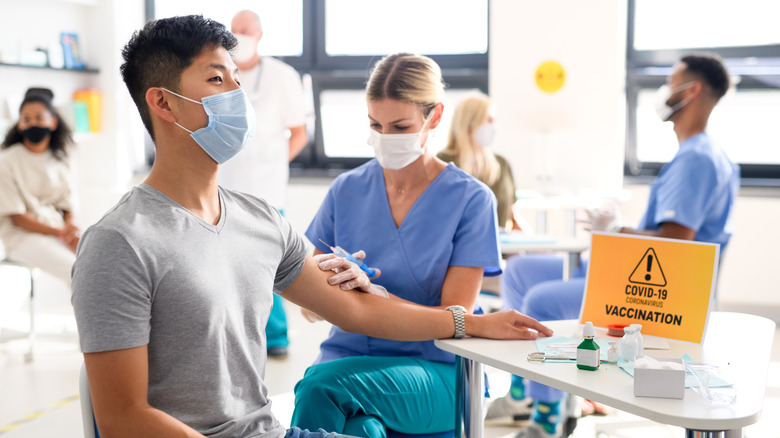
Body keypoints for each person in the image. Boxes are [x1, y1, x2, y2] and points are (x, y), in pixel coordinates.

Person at [71, 16, 553, 438]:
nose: (239, 94)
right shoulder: (121, 243)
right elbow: (122, 420)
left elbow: (358, 311)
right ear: (164, 102)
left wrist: (469, 322)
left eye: (239, 78)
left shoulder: (259, 219)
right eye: (218, 79)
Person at [494, 53, 739, 438]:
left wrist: (618, 228)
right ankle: (526, 389)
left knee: (541, 301)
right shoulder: (703, 154)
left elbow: (678, 242)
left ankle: (548, 417)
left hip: (658, 292)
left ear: (691, 91)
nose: (664, 92)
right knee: (521, 271)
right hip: (632, 270)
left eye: (671, 82)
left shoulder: (697, 159)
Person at [289, 53, 508, 438]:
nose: (386, 137)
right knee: (359, 430)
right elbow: (310, 310)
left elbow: (452, 319)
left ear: (434, 117)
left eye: (400, 126)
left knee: (320, 386)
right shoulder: (347, 190)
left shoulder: (471, 200)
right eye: (376, 124)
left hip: (433, 371)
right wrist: (331, 289)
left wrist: (371, 296)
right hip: (348, 359)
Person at [219, 9, 309, 358]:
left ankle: (276, 337)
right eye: (234, 30)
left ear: (259, 34)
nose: (239, 35)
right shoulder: (221, 73)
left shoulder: (282, 76)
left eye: (245, 30)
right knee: (227, 263)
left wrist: (271, 164)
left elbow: (299, 132)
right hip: (225, 184)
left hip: (267, 187)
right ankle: (235, 337)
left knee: (268, 263)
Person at [0, 88, 80, 287]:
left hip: (56, 230)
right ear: (19, 124)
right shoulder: (6, 161)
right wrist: (59, 233)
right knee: (76, 271)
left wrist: (71, 229)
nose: (32, 123)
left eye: (39, 117)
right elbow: (17, 218)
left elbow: (67, 206)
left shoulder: (60, 160)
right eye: (26, 119)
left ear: (53, 122)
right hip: (21, 236)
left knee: (100, 264)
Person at [437, 91, 520, 231]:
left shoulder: (502, 164)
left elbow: (513, 217)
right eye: (488, 120)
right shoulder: (444, 162)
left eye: (494, 121)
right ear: (469, 122)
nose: (492, 127)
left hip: (501, 248)